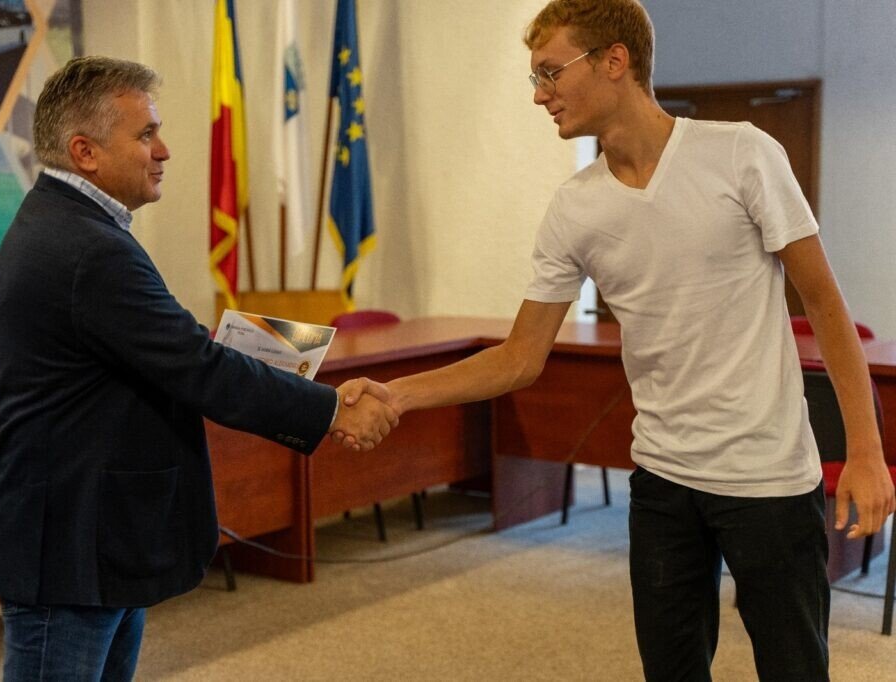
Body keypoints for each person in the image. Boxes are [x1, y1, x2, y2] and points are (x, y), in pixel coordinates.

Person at [341, 1, 895, 679]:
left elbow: (825, 305)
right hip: (663, 481)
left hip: (768, 479)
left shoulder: (742, 153)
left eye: (550, 72)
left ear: (614, 60)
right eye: (535, 78)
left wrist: (866, 452)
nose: (540, 94)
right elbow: (519, 357)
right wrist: (397, 395)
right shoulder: (575, 207)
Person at [0, 56, 396, 681]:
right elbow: (198, 367)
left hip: (96, 533)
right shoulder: (86, 247)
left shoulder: (74, 226)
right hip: (72, 542)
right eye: (146, 134)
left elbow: (169, 347)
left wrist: (285, 358)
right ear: (85, 152)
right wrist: (333, 410)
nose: (164, 150)